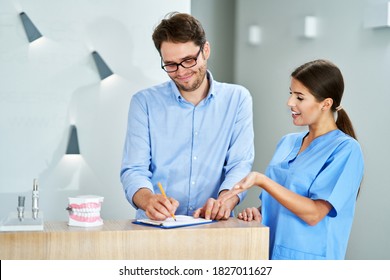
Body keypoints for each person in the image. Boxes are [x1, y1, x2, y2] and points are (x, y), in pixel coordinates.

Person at [218, 59, 364, 260]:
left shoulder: (346, 150)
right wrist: (259, 212)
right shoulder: (287, 143)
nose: (290, 103)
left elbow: (314, 214)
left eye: (300, 97)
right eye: (290, 94)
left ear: (326, 104)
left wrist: (262, 181)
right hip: (268, 256)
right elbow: (280, 202)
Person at [120, 12, 254, 221]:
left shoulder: (237, 99)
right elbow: (134, 169)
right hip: (157, 226)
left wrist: (225, 201)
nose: (181, 72)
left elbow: (240, 164)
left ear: (205, 50)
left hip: (214, 224)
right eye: (171, 64)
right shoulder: (144, 103)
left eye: (188, 60)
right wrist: (148, 200)